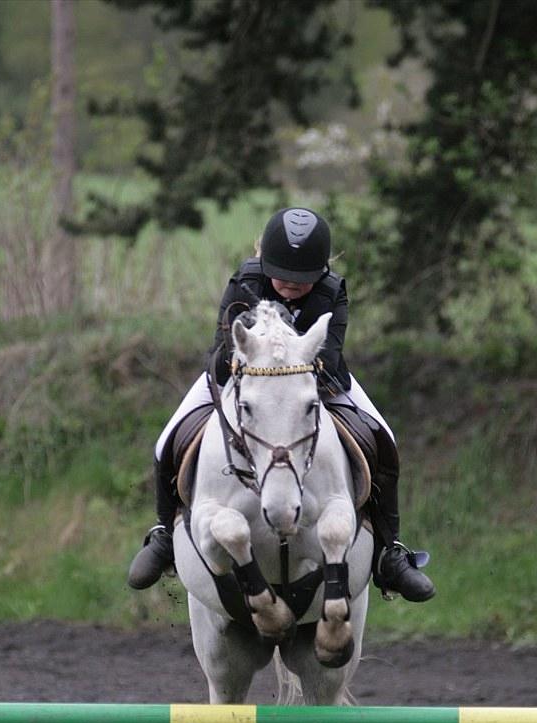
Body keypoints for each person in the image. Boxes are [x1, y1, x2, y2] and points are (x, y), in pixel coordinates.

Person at [128, 207, 435, 602]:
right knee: (168, 438)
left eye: (301, 280)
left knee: (382, 437)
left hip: (315, 382)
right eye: (283, 276)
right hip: (241, 379)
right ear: (266, 263)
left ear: (319, 274)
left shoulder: (332, 291)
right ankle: (165, 534)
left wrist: (290, 363)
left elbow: (332, 359)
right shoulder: (245, 281)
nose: (290, 285)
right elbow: (223, 353)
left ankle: (391, 553)